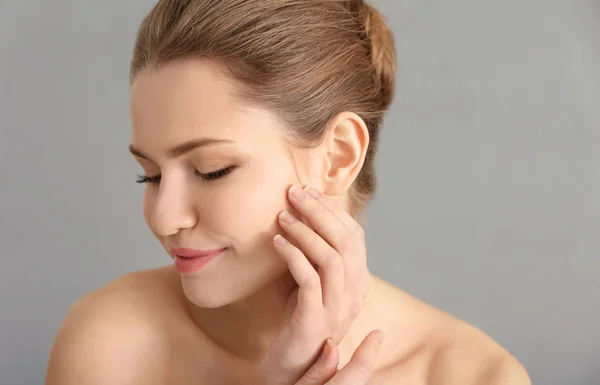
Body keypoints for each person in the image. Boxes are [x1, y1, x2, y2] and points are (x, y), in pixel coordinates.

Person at [45, 0, 531, 384]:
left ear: (338, 155)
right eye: (149, 175)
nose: (164, 218)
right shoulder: (110, 346)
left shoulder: (470, 377)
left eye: (212, 170)